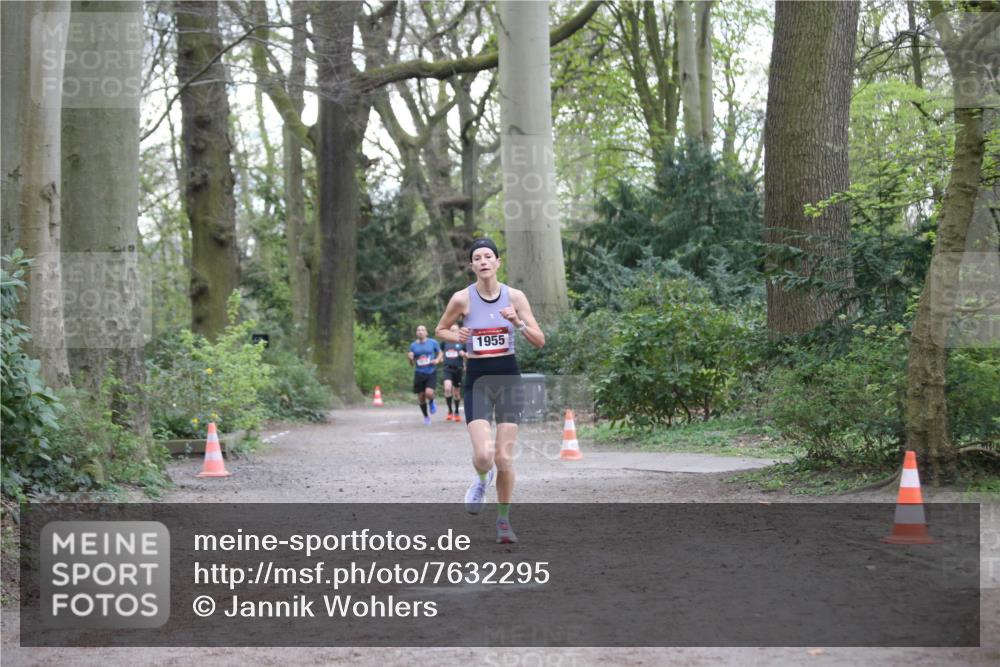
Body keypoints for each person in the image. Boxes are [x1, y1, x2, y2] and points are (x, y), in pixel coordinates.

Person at [435, 238, 544, 543]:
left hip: (509, 378)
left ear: (497, 262)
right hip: (478, 382)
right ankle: (482, 481)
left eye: (488, 256)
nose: (483, 261)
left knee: (504, 458)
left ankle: (504, 522)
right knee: (484, 455)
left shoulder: (515, 297)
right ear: (472, 266)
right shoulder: (461, 299)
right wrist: (457, 335)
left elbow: (539, 339)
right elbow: (440, 330)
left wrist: (518, 322)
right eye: (477, 258)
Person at [407, 325, 443, 425]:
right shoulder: (413, 346)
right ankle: (426, 417)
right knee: (421, 397)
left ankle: (431, 401)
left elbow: (440, 353)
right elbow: (411, 363)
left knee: (429, 393)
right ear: (416, 333)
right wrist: (410, 358)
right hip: (419, 373)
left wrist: (437, 360)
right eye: (418, 330)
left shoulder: (433, 342)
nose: (420, 332)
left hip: (431, 371)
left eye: (422, 330)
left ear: (426, 332)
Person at [441, 324, 467, 422]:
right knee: (447, 388)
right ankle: (449, 411)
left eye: (455, 330)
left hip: (458, 369)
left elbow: (468, 355)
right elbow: (441, 352)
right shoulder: (444, 343)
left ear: (458, 331)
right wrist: (440, 358)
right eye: (451, 330)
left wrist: (463, 354)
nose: (453, 332)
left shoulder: (462, 343)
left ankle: (456, 412)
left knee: (456, 393)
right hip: (447, 368)